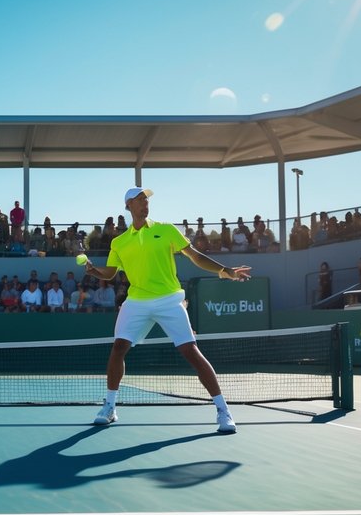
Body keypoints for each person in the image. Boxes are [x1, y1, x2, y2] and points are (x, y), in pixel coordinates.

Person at [82, 186, 251, 433]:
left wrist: (224, 271)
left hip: (169, 299)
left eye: (146, 199)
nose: (144, 203)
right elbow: (112, 271)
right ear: (128, 206)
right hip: (137, 300)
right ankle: (109, 407)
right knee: (118, 347)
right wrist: (95, 270)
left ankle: (223, 410)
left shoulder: (166, 229)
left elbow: (194, 256)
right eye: (139, 200)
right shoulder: (119, 242)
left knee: (191, 351)